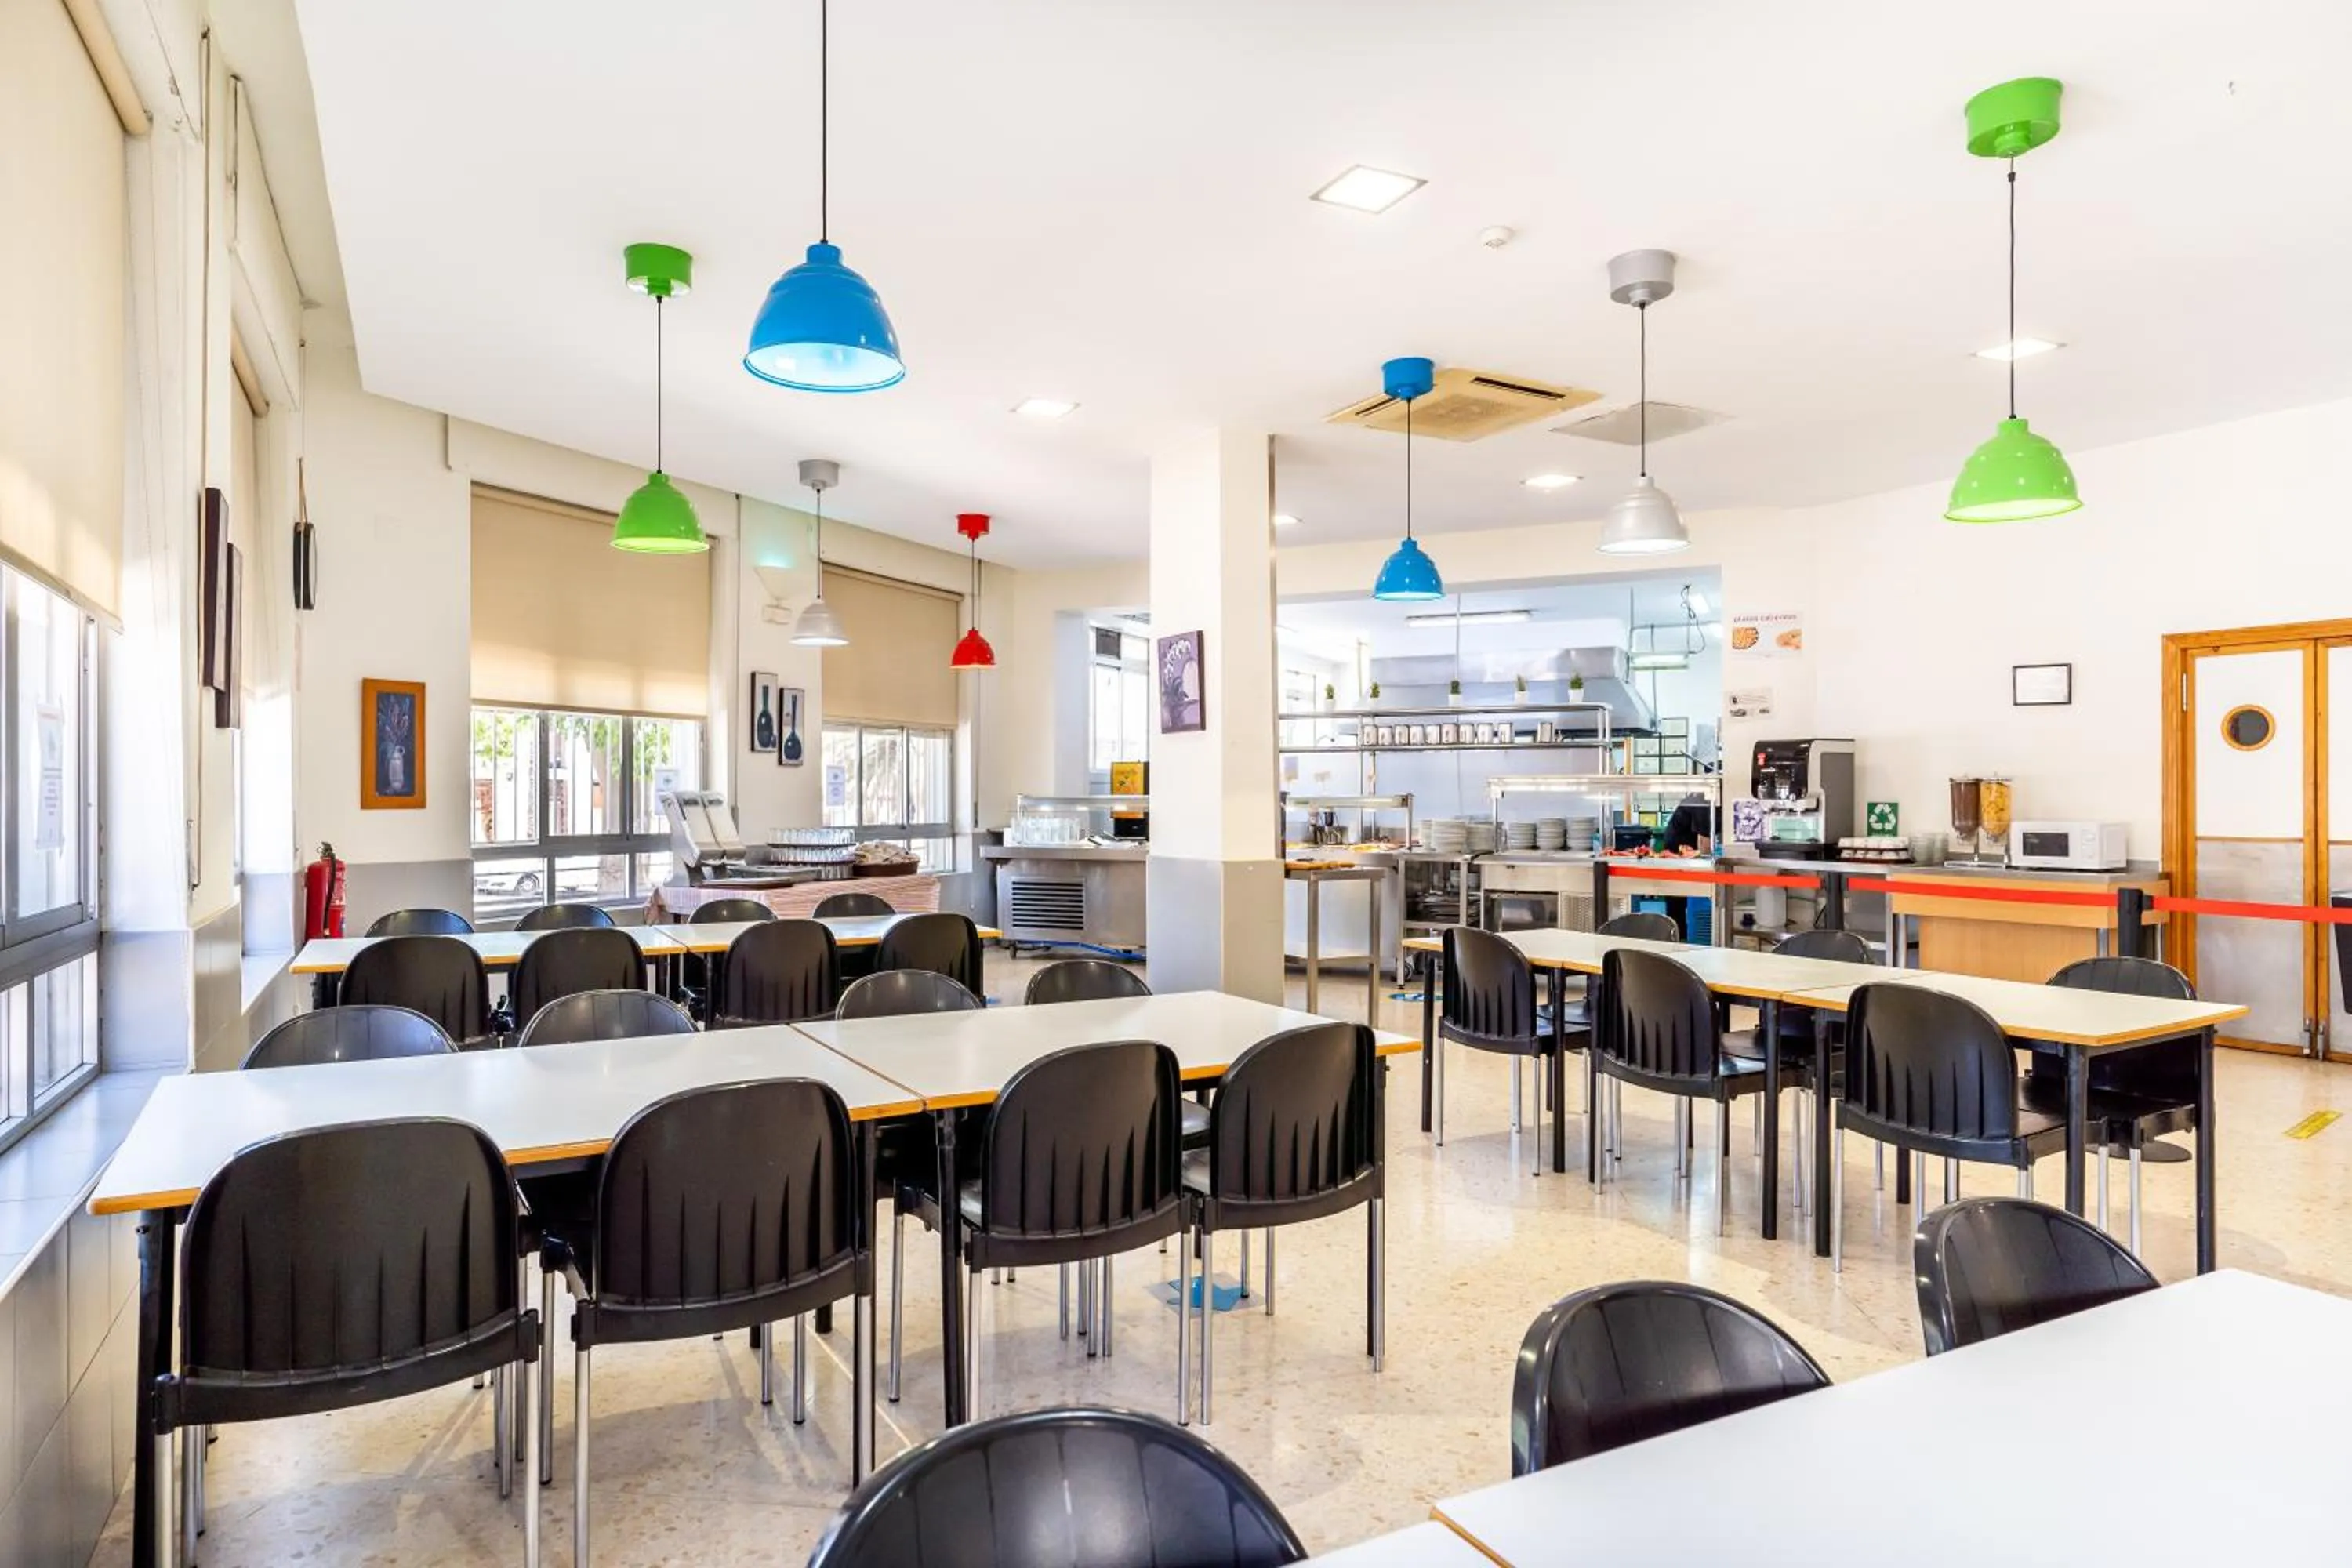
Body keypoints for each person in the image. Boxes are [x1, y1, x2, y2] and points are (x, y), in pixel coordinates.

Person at [1660, 792, 1714, 939]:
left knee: (1686, 897)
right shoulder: (1703, 800)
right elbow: (1704, 840)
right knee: (1676, 897)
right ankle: (1676, 937)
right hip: (1677, 848)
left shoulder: (1712, 798)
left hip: (1691, 845)